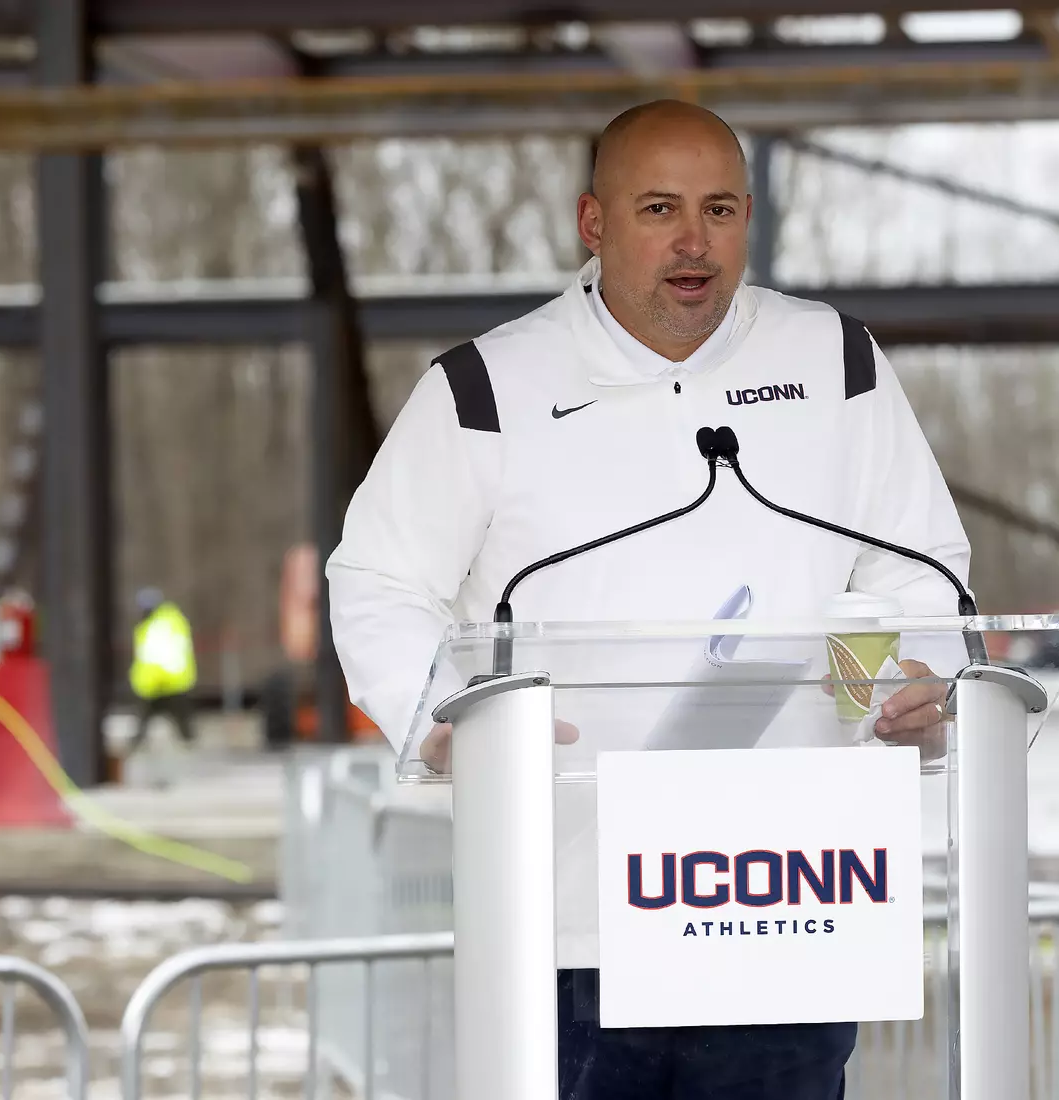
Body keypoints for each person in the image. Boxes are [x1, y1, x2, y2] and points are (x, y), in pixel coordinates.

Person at [326, 99, 971, 1100]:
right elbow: (378, 579)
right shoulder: (485, 388)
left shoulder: (837, 363)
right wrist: (440, 715)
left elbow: (920, 566)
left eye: (719, 210)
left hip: (789, 898)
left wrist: (924, 666)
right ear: (594, 222)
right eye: (659, 208)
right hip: (569, 914)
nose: (693, 241)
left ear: (750, 217)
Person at [128, 587, 197, 748]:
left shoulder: (159, 625)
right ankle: (189, 741)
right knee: (177, 718)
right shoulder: (167, 621)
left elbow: (159, 654)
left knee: (174, 717)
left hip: (164, 680)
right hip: (165, 680)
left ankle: (189, 742)